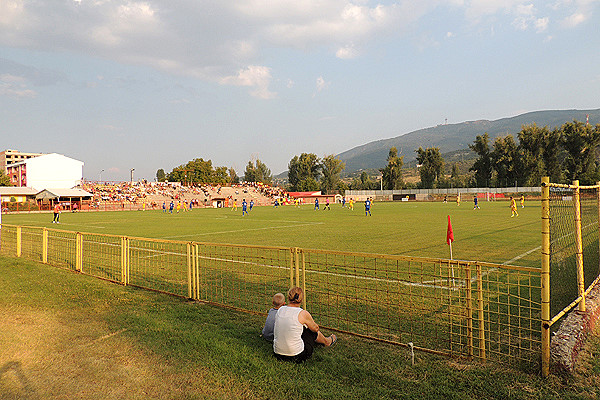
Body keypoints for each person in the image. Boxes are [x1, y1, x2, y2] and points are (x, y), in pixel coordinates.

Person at [273, 287, 337, 362]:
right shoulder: (302, 313)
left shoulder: (280, 309)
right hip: (296, 356)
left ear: (288, 297)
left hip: (277, 354)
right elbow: (316, 328)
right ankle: (327, 342)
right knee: (312, 331)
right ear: (302, 299)